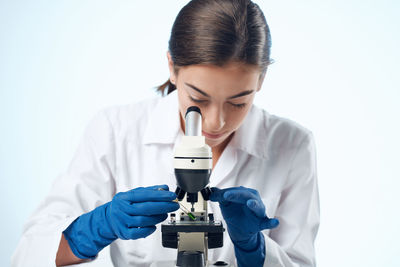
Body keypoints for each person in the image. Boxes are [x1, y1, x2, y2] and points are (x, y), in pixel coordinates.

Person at [12, 0, 320, 266]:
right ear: (172, 67)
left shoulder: (292, 145)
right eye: (198, 99)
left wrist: (255, 249)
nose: (215, 123)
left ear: (262, 79)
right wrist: (95, 228)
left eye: (238, 102)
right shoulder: (115, 130)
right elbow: (28, 254)